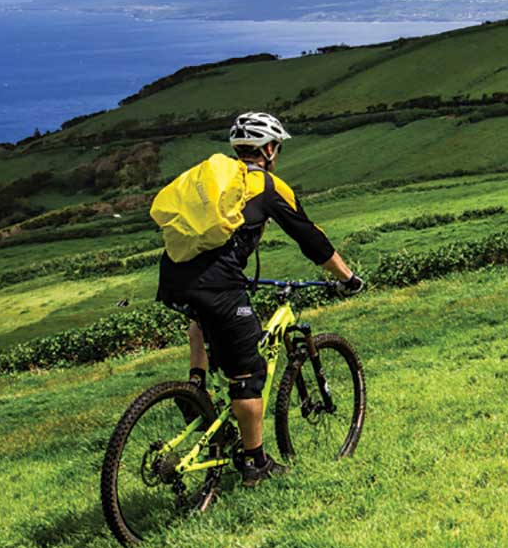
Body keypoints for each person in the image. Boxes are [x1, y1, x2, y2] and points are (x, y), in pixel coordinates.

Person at [155, 112, 365, 487]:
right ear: (268, 149)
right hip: (217, 284)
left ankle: (196, 390)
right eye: (277, 148)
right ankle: (256, 464)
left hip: (173, 278)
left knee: (202, 321)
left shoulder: (212, 180)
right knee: (249, 374)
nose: (277, 154)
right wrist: (348, 277)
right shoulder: (267, 185)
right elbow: (310, 238)